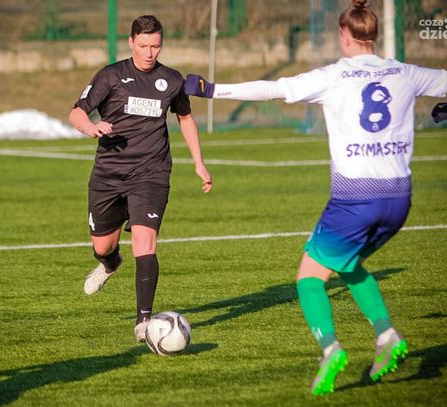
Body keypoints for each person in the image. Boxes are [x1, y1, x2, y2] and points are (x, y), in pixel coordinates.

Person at [184, 0, 447, 396]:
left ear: (344, 36)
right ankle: (386, 335)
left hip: (355, 198)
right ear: (375, 35)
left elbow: (275, 89)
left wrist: (212, 90)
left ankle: (330, 349)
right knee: (349, 262)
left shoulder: (334, 76)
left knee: (309, 278)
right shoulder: (406, 73)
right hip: (400, 198)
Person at [69, 15, 212, 343]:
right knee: (102, 245)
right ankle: (110, 263)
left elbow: (186, 118)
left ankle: (143, 321)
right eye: (144, 45)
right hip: (108, 174)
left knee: (145, 242)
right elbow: (76, 112)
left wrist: (199, 163)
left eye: (155, 46)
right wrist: (91, 127)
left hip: (151, 173)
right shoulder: (110, 76)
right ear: (131, 42)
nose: (149, 53)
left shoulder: (171, 80)